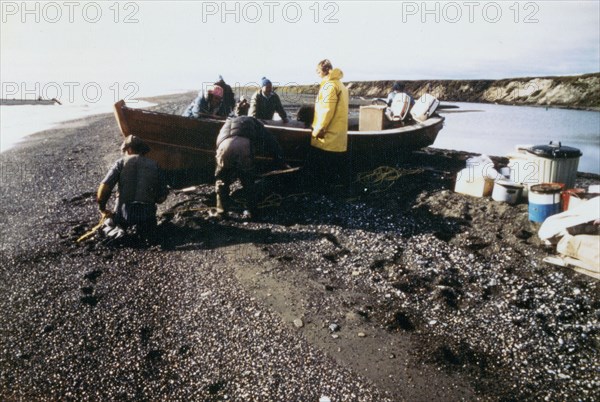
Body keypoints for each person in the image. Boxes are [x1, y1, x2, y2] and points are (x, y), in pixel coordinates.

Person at [214, 116, 289, 219]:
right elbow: (271, 142)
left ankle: (221, 212)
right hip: (243, 145)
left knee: (221, 180)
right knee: (248, 182)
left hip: (223, 145)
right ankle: (252, 212)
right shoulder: (255, 122)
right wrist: (281, 160)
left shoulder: (227, 123)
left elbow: (218, 141)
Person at [97, 135, 168, 237]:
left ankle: (120, 232)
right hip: (147, 217)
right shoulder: (155, 165)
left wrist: (102, 209)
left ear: (129, 149)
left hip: (124, 216)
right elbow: (162, 197)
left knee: (107, 225)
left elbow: (104, 188)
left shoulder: (120, 163)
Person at [307, 59, 350, 190]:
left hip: (328, 135)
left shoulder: (329, 86)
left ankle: (324, 190)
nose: (317, 74)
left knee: (324, 166)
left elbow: (327, 109)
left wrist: (319, 129)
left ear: (324, 71)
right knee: (335, 166)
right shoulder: (340, 85)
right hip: (339, 134)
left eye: (318, 71)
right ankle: (336, 188)